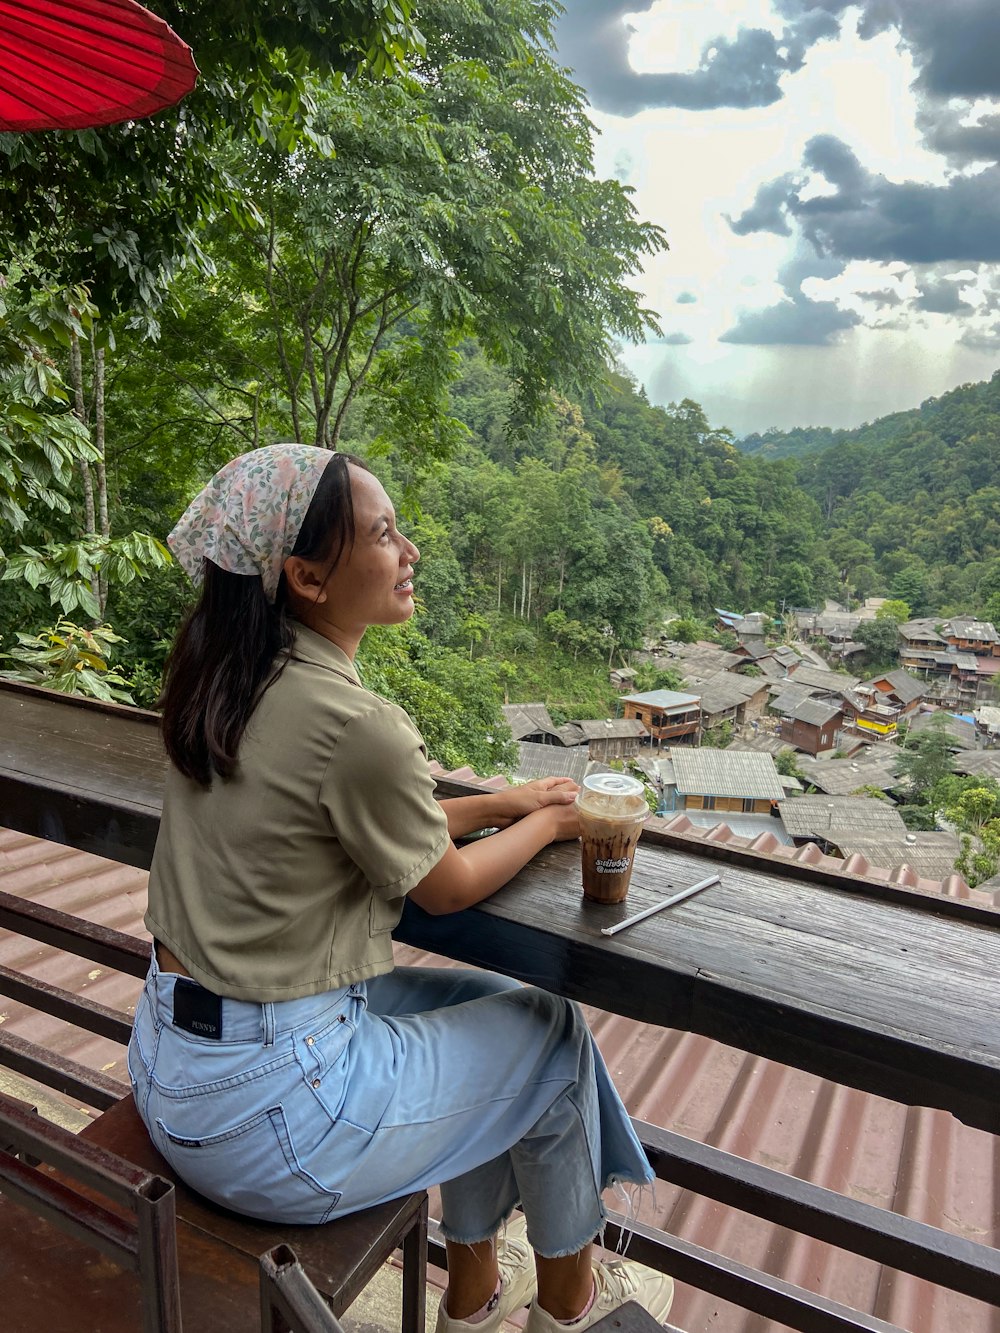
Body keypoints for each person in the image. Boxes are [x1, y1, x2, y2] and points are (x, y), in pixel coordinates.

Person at [127, 443, 674, 1333]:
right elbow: (445, 885)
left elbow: (363, 816)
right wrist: (551, 824)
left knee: (498, 1011)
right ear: (305, 576)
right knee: (554, 1037)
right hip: (270, 1118)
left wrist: (503, 800)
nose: (409, 550)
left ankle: (472, 1295)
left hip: (172, 1060)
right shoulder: (354, 722)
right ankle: (569, 1312)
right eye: (384, 534)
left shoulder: (226, 677)